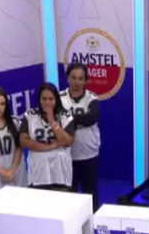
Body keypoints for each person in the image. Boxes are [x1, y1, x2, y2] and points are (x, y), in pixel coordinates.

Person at [60, 63, 100, 211]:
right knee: (70, 193)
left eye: (80, 78)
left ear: (85, 80)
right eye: (73, 78)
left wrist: (69, 119)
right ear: (67, 78)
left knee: (91, 192)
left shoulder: (91, 97)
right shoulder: (59, 98)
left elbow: (92, 117)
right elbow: (57, 119)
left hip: (89, 153)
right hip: (66, 154)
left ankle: (94, 220)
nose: (76, 82)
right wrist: (79, 120)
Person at [19, 82, 74, 190]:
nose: (47, 102)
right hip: (38, 171)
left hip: (60, 171)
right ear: (39, 100)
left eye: (51, 99)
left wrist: (52, 122)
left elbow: (68, 141)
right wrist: (51, 146)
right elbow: (23, 141)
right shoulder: (30, 115)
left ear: (56, 99)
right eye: (44, 99)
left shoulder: (65, 116)